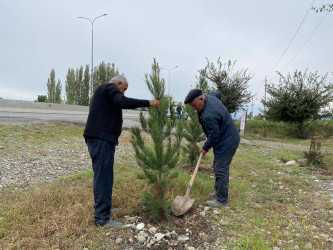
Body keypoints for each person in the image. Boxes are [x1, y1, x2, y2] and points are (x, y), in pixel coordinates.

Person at [84, 75, 160, 227]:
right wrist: (148, 103)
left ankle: (104, 209)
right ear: (119, 84)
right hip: (101, 139)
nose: (123, 93)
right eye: (124, 89)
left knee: (104, 176)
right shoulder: (110, 87)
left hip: (100, 139)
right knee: (103, 178)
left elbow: (117, 102)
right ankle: (101, 218)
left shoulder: (104, 92)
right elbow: (122, 101)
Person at [184, 89, 240, 207]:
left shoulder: (209, 115)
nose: (194, 108)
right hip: (224, 137)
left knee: (221, 168)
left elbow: (214, 136)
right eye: (192, 106)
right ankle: (218, 190)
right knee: (217, 165)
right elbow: (217, 94)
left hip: (227, 141)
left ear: (201, 99)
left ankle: (221, 200)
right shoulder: (210, 98)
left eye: (194, 105)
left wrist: (205, 147)